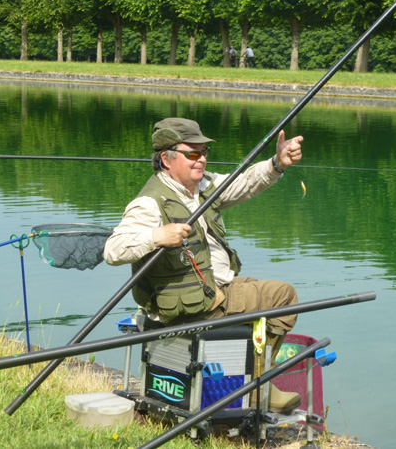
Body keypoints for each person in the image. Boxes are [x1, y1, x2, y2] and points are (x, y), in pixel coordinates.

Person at [104, 117, 304, 413]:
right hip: (197, 304)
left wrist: (276, 163)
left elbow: (244, 183)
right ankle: (259, 384)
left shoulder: (203, 186)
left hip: (214, 288)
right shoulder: (148, 203)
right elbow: (113, 250)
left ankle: (248, 377)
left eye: (204, 152)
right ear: (166, 159)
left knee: (256, 288)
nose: (202, 160)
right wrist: (156, 235)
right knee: (283, 296)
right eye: (193, 153)